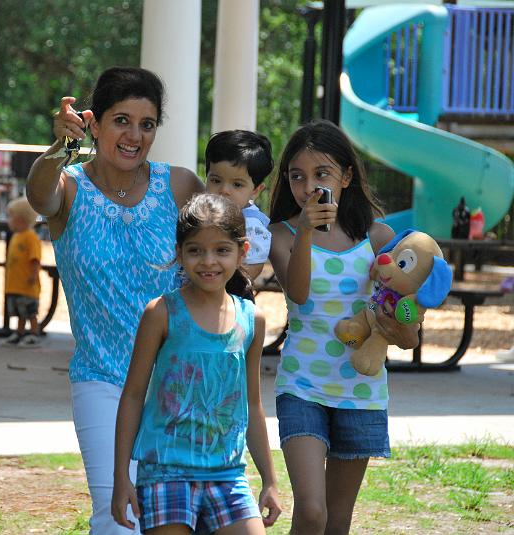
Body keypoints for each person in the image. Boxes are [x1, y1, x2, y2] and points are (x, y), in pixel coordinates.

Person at [26, 66, 204, 534]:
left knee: (175, 520)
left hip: (178, 380)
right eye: (121, 120)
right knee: (117, 517)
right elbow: (38, 196)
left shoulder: (180, 186)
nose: (134, 136)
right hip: (102, 380)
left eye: (147, 124)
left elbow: (218, 256)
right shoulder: (69, 188)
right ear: (94, 122)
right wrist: (60, 148)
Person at [266, 120, 421, 535]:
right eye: (297, 176)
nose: (308, 187)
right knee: (311, 511)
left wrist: (398, 321)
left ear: (347, 176)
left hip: (361, 391)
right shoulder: (280, 234)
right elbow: (299, 293)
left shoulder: (379, 237)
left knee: (337, 521)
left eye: (322, 174)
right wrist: (304, 230)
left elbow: (409, 336)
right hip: (302, 386)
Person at [112, 194, 282, 534]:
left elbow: (251, 403)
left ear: (243, 251)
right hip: (165, 472)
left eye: (221, 250)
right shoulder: (161, 313)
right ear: (179, 253)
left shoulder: (252, 319)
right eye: (195, 250)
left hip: (227, 474)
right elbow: (132, 395)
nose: (208, 261)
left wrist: (270, 480)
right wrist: (120, 478)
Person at [204, 130, 274, 287]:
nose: (224, 190)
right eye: (216, 180)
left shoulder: (251, 226)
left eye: (237, 184)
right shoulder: (201, 212)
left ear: (256, 190)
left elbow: (249, 273)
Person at [2, 197, 43, 349]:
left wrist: (33, 275)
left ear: (21, 219)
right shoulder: (16, 236)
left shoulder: (31, 237)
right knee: (20, 312)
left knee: (30, 312)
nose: (9, 220)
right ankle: (19, 332)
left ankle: (34, 333)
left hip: (27, 285)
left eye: (11, 217)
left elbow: (35, 259)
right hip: (15, 285)